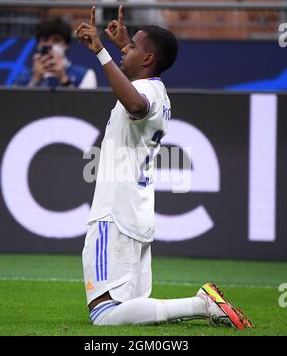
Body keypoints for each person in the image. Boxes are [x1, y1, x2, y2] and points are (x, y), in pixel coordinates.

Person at [77, 6, 253, 328]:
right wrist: (125, 44)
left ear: (146, 60)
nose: (124, 53)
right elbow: (139, 74)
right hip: (137, 215)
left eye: (131, 50)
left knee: (104, 315)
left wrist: (101, 51)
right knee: (132, 310)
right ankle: (197, 307)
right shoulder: (159, 91)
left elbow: (134, 103)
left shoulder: (144, 93)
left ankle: (201, 304)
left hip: (114, 215)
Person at [14, 18, 97, 88]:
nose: (50, 45)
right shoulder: (22, 77)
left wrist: (64, 79)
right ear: (38, 44)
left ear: (66, 45)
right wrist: (35, 81)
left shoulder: (85, 75)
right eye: (45, 40)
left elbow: (85, 106)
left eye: (56, 40)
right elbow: (17, 106)